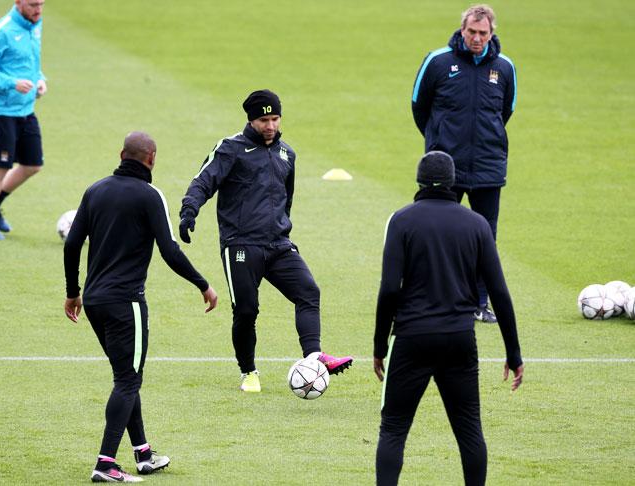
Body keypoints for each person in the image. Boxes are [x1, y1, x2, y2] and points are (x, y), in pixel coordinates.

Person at [63, 131, 218, 483]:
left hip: (96, 301)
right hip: (126, 304)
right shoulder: (150, 196)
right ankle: (105, 464)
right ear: (152, 159)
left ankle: (143, 453)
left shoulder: (95, 190)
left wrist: (73, 291)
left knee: (126, 377)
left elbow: (72, 244)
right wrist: (203, 284)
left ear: (121, 155)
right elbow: (170, 250)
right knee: (128, 381)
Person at [178, 89, 352, 392]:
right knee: (246, 309)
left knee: (308, 291)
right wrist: (189, 212)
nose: (270, 125)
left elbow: (287, 197)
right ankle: (249, 372)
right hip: (241, 244)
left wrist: (281, 227)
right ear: (251, 120)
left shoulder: (287, 154)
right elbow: (203, 181)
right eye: (263, 120)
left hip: (278, 243)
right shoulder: (231, 149)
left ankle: (313, 357)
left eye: (274, 118)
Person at [373, 151, 524, 486]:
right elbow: (499, 292)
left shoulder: (401, 220)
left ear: (419, 181)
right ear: (453, 181)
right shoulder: (477, 224)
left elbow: (388, 289)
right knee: (469, 429)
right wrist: (513, 353)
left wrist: (380, 344)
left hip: (411, 339)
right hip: (459, 338)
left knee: (394, 428)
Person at [411, 4, 517, 323]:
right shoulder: (438, 61)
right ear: (462, 29)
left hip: (488, 167)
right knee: (437, 235)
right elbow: (419, 107)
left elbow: (506, 111)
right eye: (471, 31)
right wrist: (437, 144)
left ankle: (479, 304)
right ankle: (434, 299)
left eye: (483, 33)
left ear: (492, 33)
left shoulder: (505, 68)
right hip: (445, 169)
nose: (476, 38)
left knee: (484, 238)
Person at [0, 0, 48, 240]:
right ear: (18, 3)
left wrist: (40, 79)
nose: (38, 9)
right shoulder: (2, 31)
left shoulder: (34, 25)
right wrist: (12, 83)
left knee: (32, 165)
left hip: (26, 110)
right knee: (2, 165)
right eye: (33, 4)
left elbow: (32, 63)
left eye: (42, 4)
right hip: (1, 111)